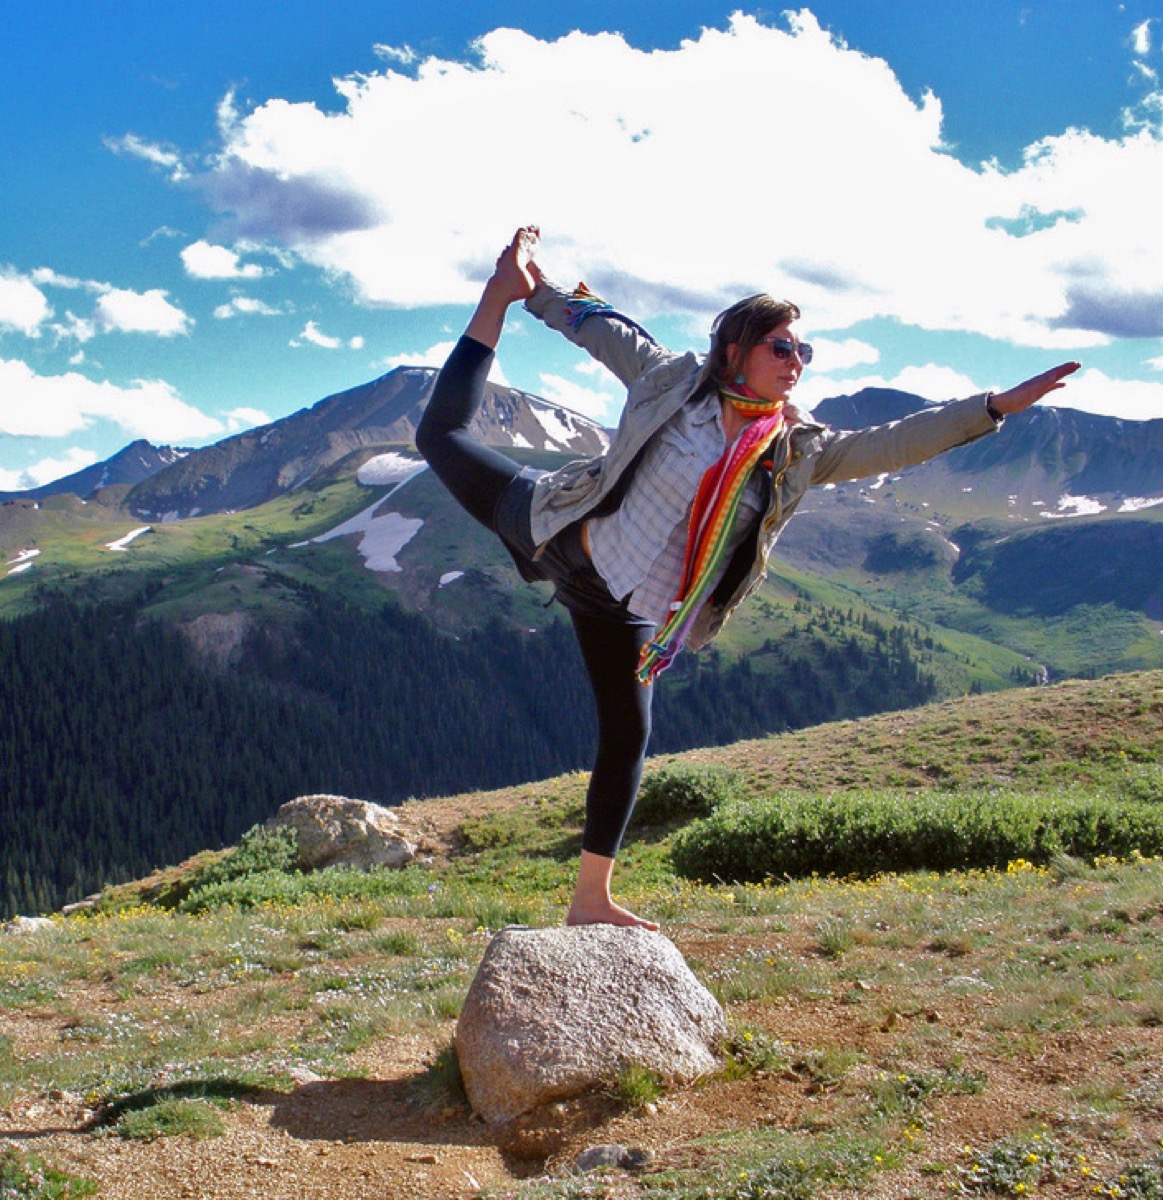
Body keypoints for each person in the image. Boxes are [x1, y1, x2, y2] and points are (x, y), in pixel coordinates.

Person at [416, 225, 1079, 930]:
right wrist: (533, 288)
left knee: (626, 736)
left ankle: (591, 899)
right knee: (439, 437)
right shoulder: (670, 379)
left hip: (630, 608)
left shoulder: (793, 450)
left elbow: (890, 445)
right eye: (782, 346)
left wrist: (991, 410)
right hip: (560, 531)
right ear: (736, 350)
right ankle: (495, 297)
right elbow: (598, 322)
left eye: (804, 351)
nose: (796, 362)